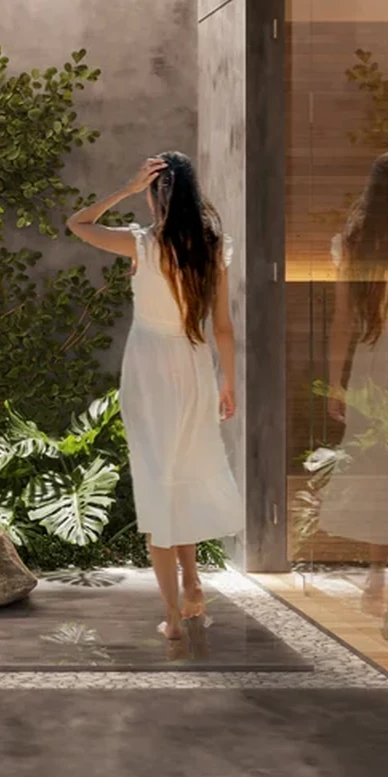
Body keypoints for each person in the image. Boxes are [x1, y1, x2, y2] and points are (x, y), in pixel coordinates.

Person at [69, 151, 244, 640]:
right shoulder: (213, 247)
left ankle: (171, 616)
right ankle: (191, 584)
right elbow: (224, 327)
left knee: (156, 480)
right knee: (181, 474)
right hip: (193, 368)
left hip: (149, 371)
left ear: (154, 194)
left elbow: (78, 223)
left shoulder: (142, 244)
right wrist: (228, 381)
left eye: (146, 191)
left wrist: (124, 187)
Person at [316, 151, 388, 635]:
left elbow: (343, 321)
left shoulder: (355, 242)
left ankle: (376, 577)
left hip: (371, 363)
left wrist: (336, 381)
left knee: (376, 467)